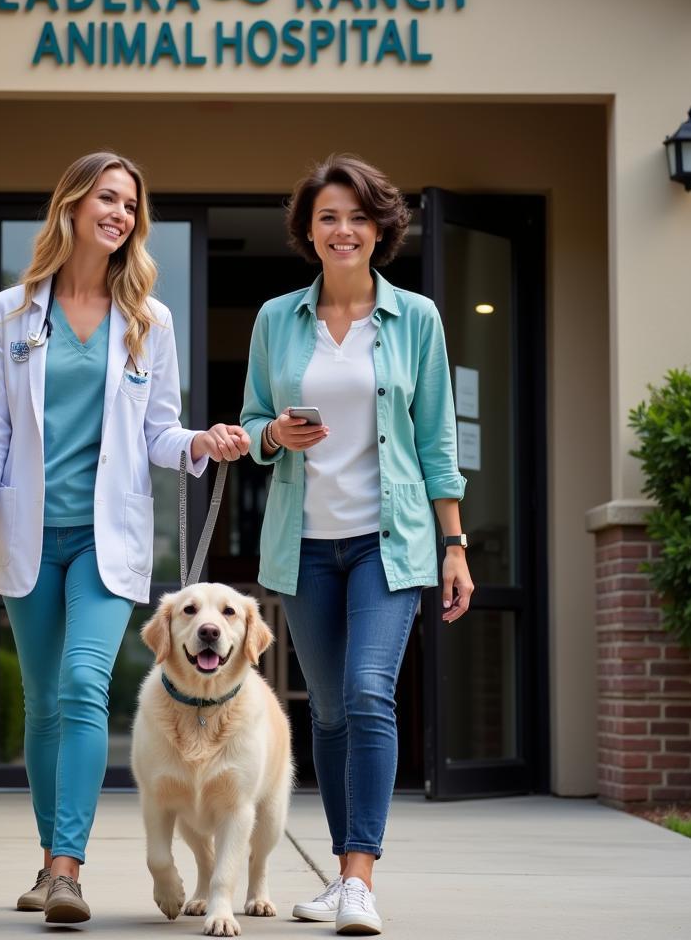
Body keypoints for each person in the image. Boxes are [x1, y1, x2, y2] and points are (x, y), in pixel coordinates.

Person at [0, 152, 249, 925]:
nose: (119, 213)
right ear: (73, 205)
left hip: (104, 538)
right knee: (44, 702)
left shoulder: (151, 322)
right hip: (27, 533)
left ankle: (66, 870)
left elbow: (159, 432)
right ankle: (51, 854)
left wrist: (199, 444)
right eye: (107, 198)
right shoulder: (11, 312)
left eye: (130, 205)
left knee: (84, 685)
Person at [240, 154, 473, 936]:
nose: (344, 229)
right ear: (309, 230)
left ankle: (358, 878)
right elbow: (247, 425)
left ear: (380, 230)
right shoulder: (277, 319)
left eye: (358, 217)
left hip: (389, 543)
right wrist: (273, 432)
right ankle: (342, 875)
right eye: (329, 217)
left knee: (371, 693)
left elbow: (436, 440)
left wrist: (454, 545)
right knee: (332, 712)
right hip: (304, 545)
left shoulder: (417, 320)